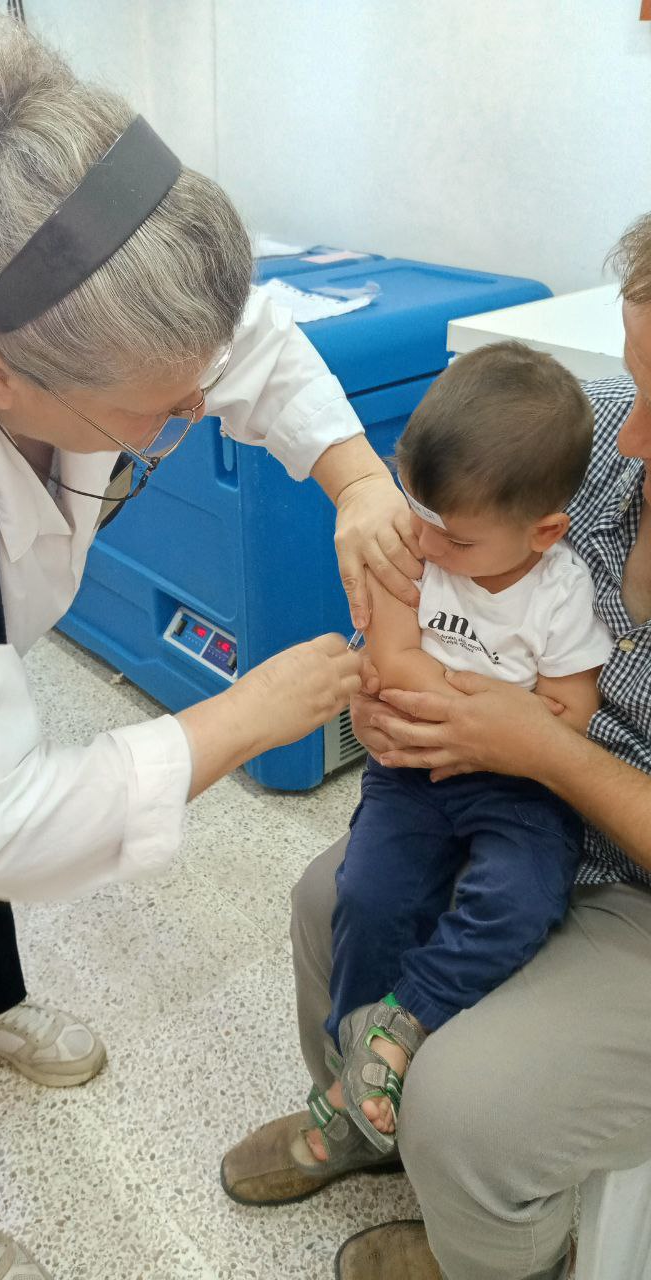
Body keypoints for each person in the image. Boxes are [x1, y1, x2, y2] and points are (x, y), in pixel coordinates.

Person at [0, 15, 419, 1279]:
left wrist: (359, 476)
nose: (198, 412)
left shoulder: (68, 294)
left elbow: (237, 342)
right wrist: (246, 715)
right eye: (161, 410)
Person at [221, 219, 651, 1280]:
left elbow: (553, 716)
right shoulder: (584, 436)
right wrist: (389, 695)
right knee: (332, 897)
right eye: (638, 373)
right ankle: (362, 1109)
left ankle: (497, 1245)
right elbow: (408, 561)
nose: (632, 437)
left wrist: (541, 750)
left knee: (469, 1106)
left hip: (607, 850)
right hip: (499, 781)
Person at [311, 342, 612, 1159]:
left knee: (521, 898)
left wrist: (505, 727)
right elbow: (391, 660)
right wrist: (503, 712)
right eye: (419, 511)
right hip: (413, 772)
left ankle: (402, 1021)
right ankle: (351, 1057)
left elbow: (572, 712)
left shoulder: (562, 589)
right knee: (367, 893)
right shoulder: (412, 543)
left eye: (457, 539)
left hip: (521, 786)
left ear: (543, 533)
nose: (424, 542)